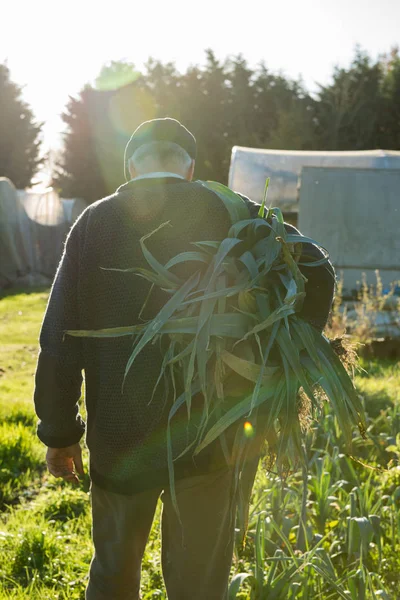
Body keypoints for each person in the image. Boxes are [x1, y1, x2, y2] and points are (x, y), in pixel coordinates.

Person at [34, 118, 335, 600]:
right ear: (190, 167)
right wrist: (281, 357)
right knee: (199, 586)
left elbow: (59, 338)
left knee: (112, 574)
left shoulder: (94, 221)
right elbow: (316, 268)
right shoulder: (231, 210)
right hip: (209, 438)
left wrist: (60, 433)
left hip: (119, 440)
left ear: (132, 165)